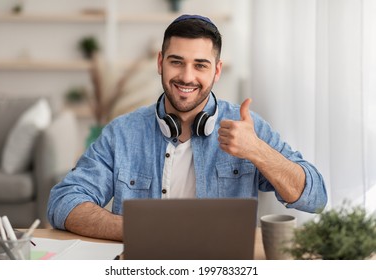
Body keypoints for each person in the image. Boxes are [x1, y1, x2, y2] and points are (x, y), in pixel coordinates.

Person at [47, 14, 327, 241]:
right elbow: (63, 203)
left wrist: (258, 151)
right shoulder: (121, 133)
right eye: (176, 62)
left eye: (200, 65)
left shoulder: (247, 129)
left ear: (216, 71)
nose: (186, 77)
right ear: (160, 63)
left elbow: (315, 198)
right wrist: (140, 231)